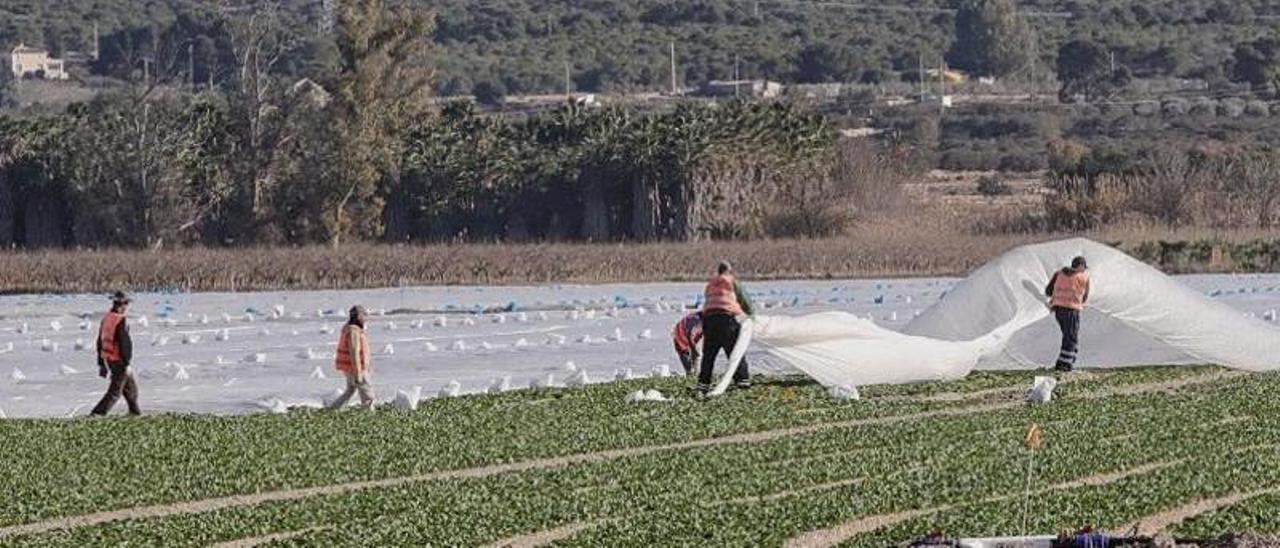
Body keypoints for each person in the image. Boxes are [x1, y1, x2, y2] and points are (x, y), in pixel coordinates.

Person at [697, 261, 756, 396]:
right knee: (734, 351)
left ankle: (703, 385)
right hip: (726, 320)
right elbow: (745, 300)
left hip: (709, 320)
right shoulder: (732, 282)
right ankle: (742, 381)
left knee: (709, 355)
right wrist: (751, 316)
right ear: (729, 271)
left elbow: (708, 300)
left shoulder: (710, 284)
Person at [90, 291, 140, 416]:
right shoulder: (119, 320)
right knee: (115, 392)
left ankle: (135, 412)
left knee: (131, 389)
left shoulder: (107, 318)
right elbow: (124, 343)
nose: (126, 307)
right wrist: (127, 363)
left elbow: (100, 341)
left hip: (110, 359)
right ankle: (97, 413)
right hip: (119, 360)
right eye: (126, 304)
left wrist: (101, 362)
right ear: (121, 305)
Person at [1045, 256, 1090, 372]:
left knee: (1068, 336)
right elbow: (1084, 297)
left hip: (1058, 310)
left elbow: (1048, 291)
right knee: (1071, 338)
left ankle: (1065, 362)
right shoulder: (1083, 278)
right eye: (1084, 267)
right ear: (1080, 266)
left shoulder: (1059, 274)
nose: (1085, 270)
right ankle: (1064, 365)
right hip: (1071, 309)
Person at [327, 305, 376, 410]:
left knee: (350, 390)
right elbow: (354, 351)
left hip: (349, 367)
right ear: (359, 316)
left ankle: (334, 410)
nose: (365, 319)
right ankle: (369, 414)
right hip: (355, 367)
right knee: (367, 393)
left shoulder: (350, 329)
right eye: (364, 315)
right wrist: (358, 372)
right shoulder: (354, 331)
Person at [672, 311, 704, 376]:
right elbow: (690, 335)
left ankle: (695, 374)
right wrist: (694, 350)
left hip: (691, 336)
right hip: (681, 337)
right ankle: (691, 375)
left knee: (696, 359)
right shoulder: (696, 321)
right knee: (689, 367)